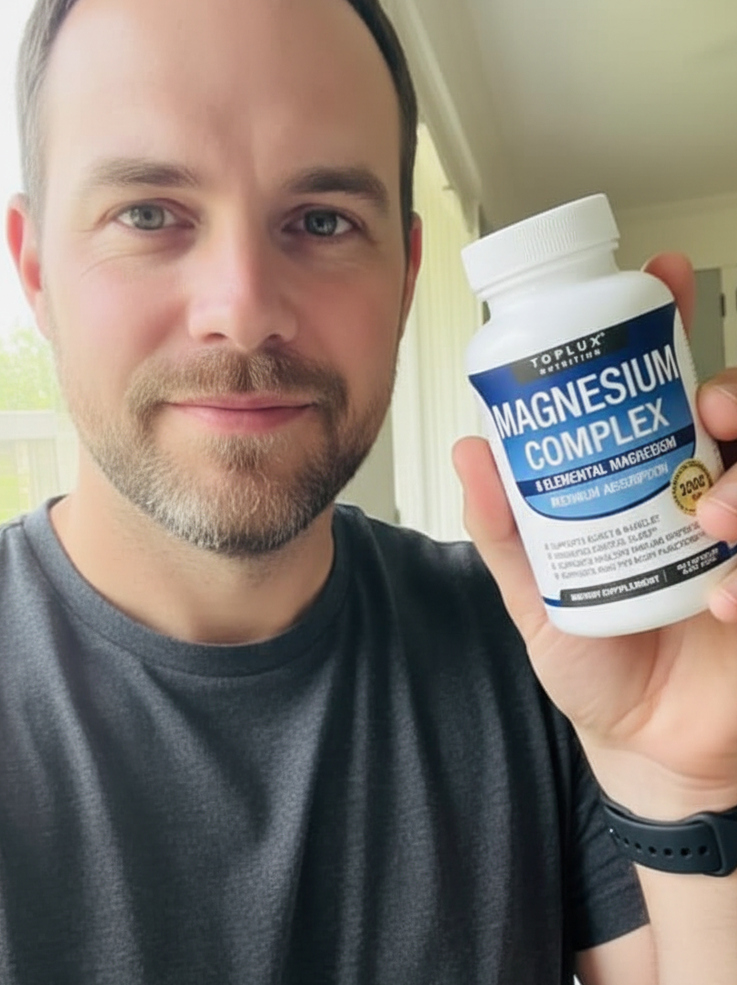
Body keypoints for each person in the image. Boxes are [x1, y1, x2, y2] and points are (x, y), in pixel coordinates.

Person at [1, 0, 735, 981]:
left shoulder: (550, 649)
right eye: (147, 213)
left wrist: (687, 772)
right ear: (35, 269)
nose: (242, 310)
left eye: (322, 220)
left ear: (405, 276)